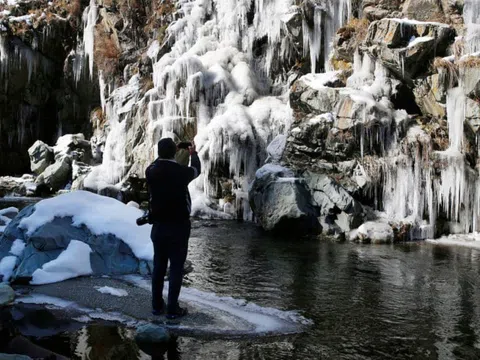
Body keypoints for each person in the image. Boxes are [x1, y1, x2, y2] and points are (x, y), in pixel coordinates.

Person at [145, 138, 201, 319]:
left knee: (159, 267)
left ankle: (156, 306)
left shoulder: (151, 171)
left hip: (159, 226)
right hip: (178, 226)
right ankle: (172, 309)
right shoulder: (181, 172)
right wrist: (193, 154)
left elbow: (158, 162)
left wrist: (170, 151)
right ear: (174, 152)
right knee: (176, 267)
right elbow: (196, 170)